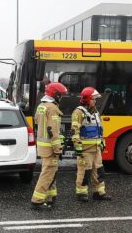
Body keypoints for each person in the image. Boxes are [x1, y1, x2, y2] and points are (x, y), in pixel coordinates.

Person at [31, 82, 68, 210]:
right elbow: (54, 130)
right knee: (47, 174)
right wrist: (58, 149)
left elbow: (37, 121)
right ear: (55, 94)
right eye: (61, 95)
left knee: (50, 172)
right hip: (50, 148)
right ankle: (37, 201)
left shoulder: (41, 106)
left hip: (43, 147)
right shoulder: (52, 108)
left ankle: (51, 197)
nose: (62, 97)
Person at [71, 87, 111, 202]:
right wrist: (78, 147)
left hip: (96, 148)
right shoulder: (78, 112)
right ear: (87, 99)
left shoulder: (96, 112)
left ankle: (99, 193)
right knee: (84, 171)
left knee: (99, 171)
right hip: (85, 149)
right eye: (93, 99)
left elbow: (100, 130)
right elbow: (75, 131)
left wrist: (102, 142)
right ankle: (81, 193)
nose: (95, 101)